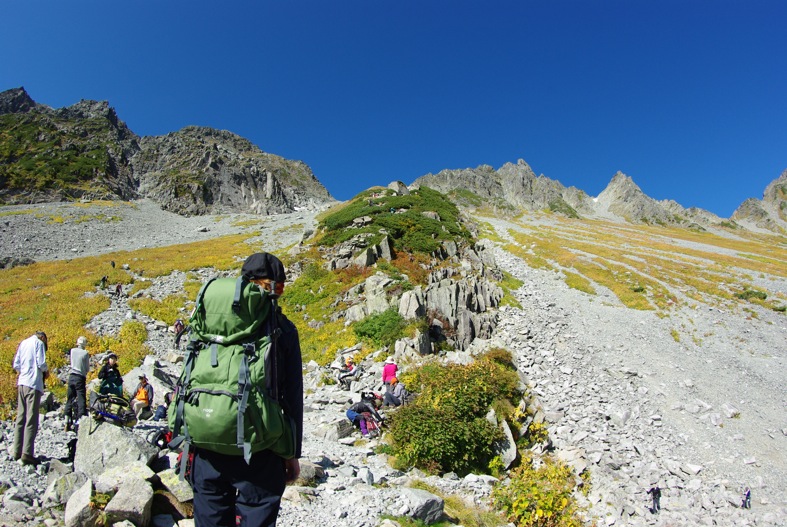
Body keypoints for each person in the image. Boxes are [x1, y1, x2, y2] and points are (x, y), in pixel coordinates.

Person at [190, 252, 303, 527]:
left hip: (206, 442)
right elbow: (292, 398)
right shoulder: (282, 329)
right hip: (259, 449)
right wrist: (291, 454)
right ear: (277, 288)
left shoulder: (209, 322)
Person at [12, 331, 48, 465]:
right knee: (31, 419)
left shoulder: (23, 343)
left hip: (22, 382)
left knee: (20, 417)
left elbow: (16, 364)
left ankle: (16, 450)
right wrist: (46, 371)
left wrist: (25, 370)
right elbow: (41, 363)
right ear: (43, 338)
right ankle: (27, 453)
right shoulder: (38, 344)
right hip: (33, 384)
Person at [64, 336, 90, 431]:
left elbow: (71, 362)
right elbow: (87, 368)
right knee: (81, 398)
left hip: (72, 376)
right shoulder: (85, 353)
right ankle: (79, 419)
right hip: (80, 377)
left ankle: (67, 419)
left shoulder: (72, 351)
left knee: (70, 398)